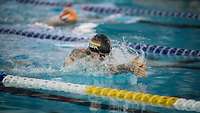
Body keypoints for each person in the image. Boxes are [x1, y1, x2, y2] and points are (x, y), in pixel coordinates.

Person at [64, 34, 147, 77]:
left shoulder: (113, 55)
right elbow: (65, 69)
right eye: (101, 55)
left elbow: (112, 68)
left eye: (106, 55)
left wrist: (133, 65)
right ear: (93, 51)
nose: (104, 58)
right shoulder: (79, 54)